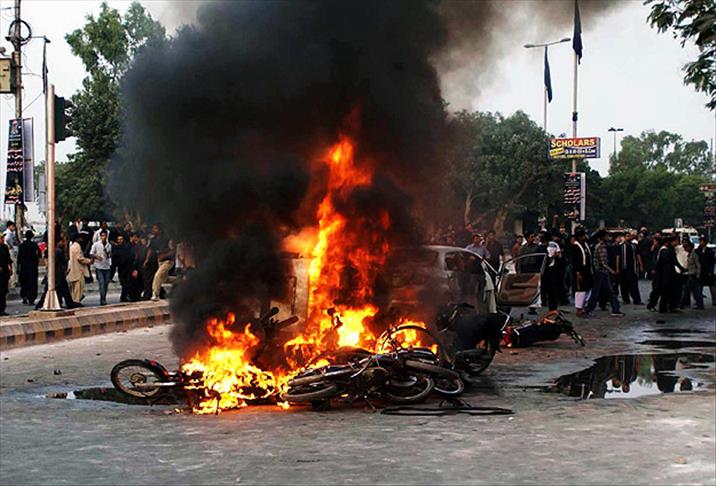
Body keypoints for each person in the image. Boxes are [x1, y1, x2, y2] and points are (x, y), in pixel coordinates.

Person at [585, 229, 624, 317]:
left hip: (601, 272)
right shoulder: (601, 247)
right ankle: (589, 309)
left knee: (605, 292)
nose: (608, 238)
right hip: (601, 272)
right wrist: (611, 271)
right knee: (601, 292)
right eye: (606, 236)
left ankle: (615, 309)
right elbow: (603, 263)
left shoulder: (601, 246)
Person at [648, 236, 684, 313]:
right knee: (665, 291)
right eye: (675, 241)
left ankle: (665, 307)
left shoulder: (667, 250)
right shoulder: (667, 251)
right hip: (666, 274)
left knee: (665, 291)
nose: (677, 242)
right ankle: (664, 307)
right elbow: (671, 262)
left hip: (665, 274)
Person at [616, 231, 643, 305]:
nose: (629, 237)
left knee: (634, 285)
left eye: (630, 236)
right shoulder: (621, 247)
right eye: (627, 236)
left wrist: (641, 265)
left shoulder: (634, 246)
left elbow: (638, 255)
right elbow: (618, 257)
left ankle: (637, 300)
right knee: (623, 285)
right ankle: (626, 299)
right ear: (624, 237)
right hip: (623, 269)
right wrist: (617, 268)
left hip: (632, 268)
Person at [571, 227, 593, 318]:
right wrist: (578, 272)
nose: (585, 237)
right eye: (583, 236)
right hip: (580, 271)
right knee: (580, 290)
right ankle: (579, 309)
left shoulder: (585, 245)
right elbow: (575, 261)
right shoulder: (575, 246)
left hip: (588, 271)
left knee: (588, 289)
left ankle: (584, 307)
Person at [17, 230, 41, 305]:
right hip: (33, 267)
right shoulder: (34, 245)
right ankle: (31, 298)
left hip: (24, 267)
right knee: (32, 283)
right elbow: (39, 254)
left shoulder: (22, 245)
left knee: (24, 282)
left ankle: (24, 296)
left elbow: (19, 257)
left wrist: (18, 267)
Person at [90, 230, 112, 305]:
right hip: (99, 266)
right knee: (101, 283)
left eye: (105, 236)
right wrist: (96, 257)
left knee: (106, 283)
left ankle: (104, 297)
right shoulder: (96, 244)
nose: (104, 237)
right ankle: (102, 299)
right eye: (102, 236)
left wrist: (107, 252)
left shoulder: (109, 245)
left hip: (107, 266)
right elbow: (91, 253)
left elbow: (109, 255)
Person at [67, 234, 91, 303]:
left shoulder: (72, 246)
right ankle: (76, 301)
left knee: (74, 289)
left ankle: (74, 301)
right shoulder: (77, 246)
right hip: (78, 270)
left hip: (73, 270)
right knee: (78, 288)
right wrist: (89, 261)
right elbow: (79, 258)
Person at [112, 234, 134, 302]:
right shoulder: (115, 248)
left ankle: (125, 296)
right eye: (118, 239)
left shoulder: (127, 247)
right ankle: (124, 296)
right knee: (123, 283)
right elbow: (114, 258)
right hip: (121, 268)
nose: (120, 241)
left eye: (121, 239)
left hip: (128, 267)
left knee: (127, 283)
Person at [682, 241, 703, 309]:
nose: (686, 248)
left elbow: (698, 265)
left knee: (693, 290)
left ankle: (699, 304)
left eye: (687, 247)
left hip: (693, 274)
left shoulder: (694, 255)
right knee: (693, 290)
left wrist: (698, 275)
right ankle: (699, 304)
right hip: (690, 274)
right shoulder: (689, 254)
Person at [695, 236, 715, 306]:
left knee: (712, 287)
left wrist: (711, 271)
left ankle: (714, 300)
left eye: (702, 241)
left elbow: (712, 262)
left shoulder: (710, 251)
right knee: (699, 288)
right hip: (700, 271)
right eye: (700, 241)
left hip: (708, 271)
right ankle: (700, 303)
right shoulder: (697, 251)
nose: (701, 243)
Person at [0, 233, 12, 315]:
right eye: (1, 238)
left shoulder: (4, 247)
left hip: (4, 272)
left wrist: (10, 268)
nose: (3, 239)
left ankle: (2, 309)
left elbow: (8, 259)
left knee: (4, 291)